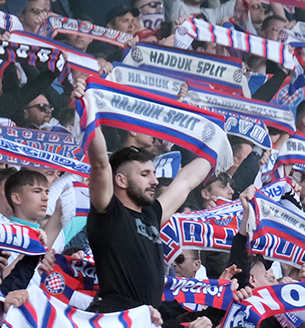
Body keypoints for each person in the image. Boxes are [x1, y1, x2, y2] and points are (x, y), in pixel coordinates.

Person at [83, 128, 213, 313]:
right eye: (145, 175)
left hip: (147, 319)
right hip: (114, 318)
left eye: (154, 173)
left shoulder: (151, 214)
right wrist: (91, 119)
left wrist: (215, 145)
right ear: (121, 180)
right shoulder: (108, 210)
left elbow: (187, 180)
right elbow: (100, 163)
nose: (155, 181)